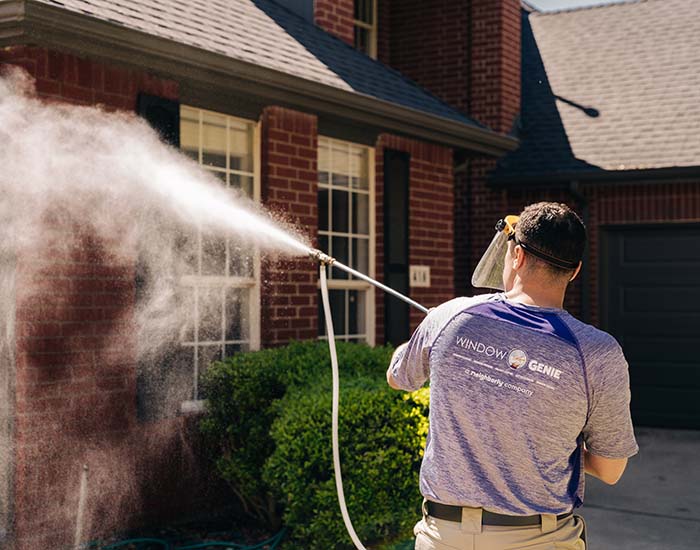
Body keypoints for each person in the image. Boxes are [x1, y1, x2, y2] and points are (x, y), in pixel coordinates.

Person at [387, 202, 637, 550]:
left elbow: (398, 377)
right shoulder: (598, 352)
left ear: (517, 255)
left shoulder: (448, 317)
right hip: (540, 539)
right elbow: (610, 469)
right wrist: (552, 441)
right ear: (575, 270)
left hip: (445, 537)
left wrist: (425, 335)